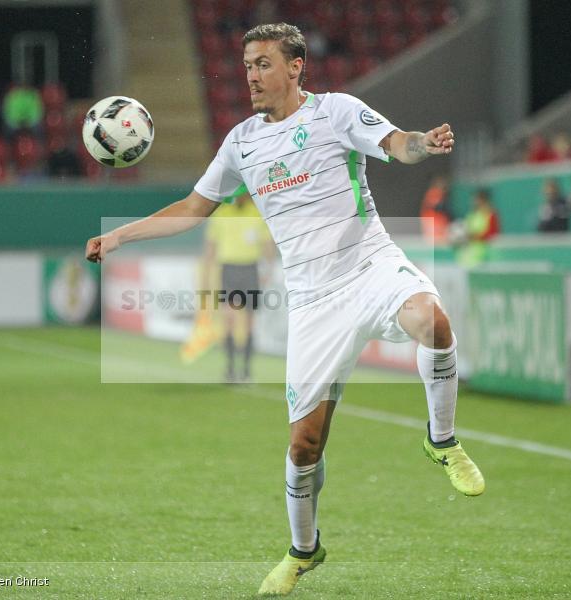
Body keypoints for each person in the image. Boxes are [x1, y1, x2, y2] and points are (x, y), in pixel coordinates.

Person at [84, 23, 484, 597]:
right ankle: (304, 550)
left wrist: (423, 143)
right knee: (304, 447)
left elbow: (398, 143)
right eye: (247, 65)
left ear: (296, 67)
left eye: (263, 64)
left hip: (369, 266)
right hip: (313, 301)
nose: (251, 75)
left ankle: (441, 441)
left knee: (433, 321)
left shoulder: (336, 112)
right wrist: (120, 235)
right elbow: (194, 208)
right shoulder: (241, 143)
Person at [203, 193, 273, 382]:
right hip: (229, 269)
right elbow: (211, 246)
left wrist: (268, 268)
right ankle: (230, 368)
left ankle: (246, 370)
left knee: (249, 321)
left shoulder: (256, 212)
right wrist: (206, 274)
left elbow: (267, 244)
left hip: (250, 269)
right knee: (229, 319)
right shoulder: (222, 213)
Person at [420, 175, 451, 241]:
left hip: (439, 219)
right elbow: (435, 206)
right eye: (441, 183)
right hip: (433, 219)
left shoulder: (442, 194)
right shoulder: (433, 192)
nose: (444, 185)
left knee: (441, 239)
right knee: (434, 239)